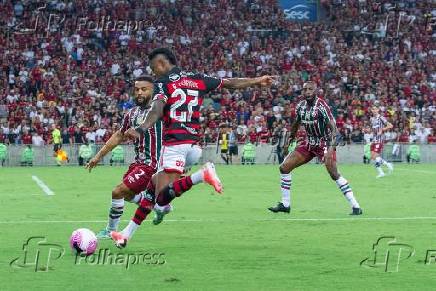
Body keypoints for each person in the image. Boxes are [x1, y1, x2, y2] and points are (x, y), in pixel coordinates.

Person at [112, 47, 275, 247]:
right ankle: (126, 234)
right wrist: (257, 80)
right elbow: (230, 83)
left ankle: (201, 175)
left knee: (162, 199)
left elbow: (156, 109)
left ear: (162, 64)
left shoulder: (163, 83)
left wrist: (141, 128)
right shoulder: (197, 78)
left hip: (174, 144)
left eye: (154, 69)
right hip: (193, 143)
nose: (154, 73)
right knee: (153, 186)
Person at [85, 76, 165, 239]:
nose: (139, 92)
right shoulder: (132, 113)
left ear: (153, 91)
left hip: (153, 165)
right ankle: (156, 206)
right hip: (138, 163)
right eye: (137, 90)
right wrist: (98, 156)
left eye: (144, 89)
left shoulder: (160, 110)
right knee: (128, 195)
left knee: (118, 192)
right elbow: (118, 136)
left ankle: (110, 230)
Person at [268, 82, 362, 215]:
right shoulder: (300, 107)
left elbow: (335, 131)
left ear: (316, 91)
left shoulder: (321, 106)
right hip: (309, 143)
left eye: (310, 89)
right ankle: (285, 204)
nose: (307, 91)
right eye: (305, 89)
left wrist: (330, 151)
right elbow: (295, 126)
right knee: (284, 167)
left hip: (325, 143)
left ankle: (356, 206)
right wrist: (287, 144)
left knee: (333, 174)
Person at [369, 105, 394, 178]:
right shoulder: (372, 119)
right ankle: (385, 168)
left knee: (375, 156)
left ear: (378, 110)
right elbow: (373, 129)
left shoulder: (381, 118)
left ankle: (384, 168)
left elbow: (390, 126)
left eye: (375, 109)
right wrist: (368, 131)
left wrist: (382, 130)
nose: (374, 110)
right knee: (373, 157)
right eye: (372, 109)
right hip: (374, 139)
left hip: (379, 140)